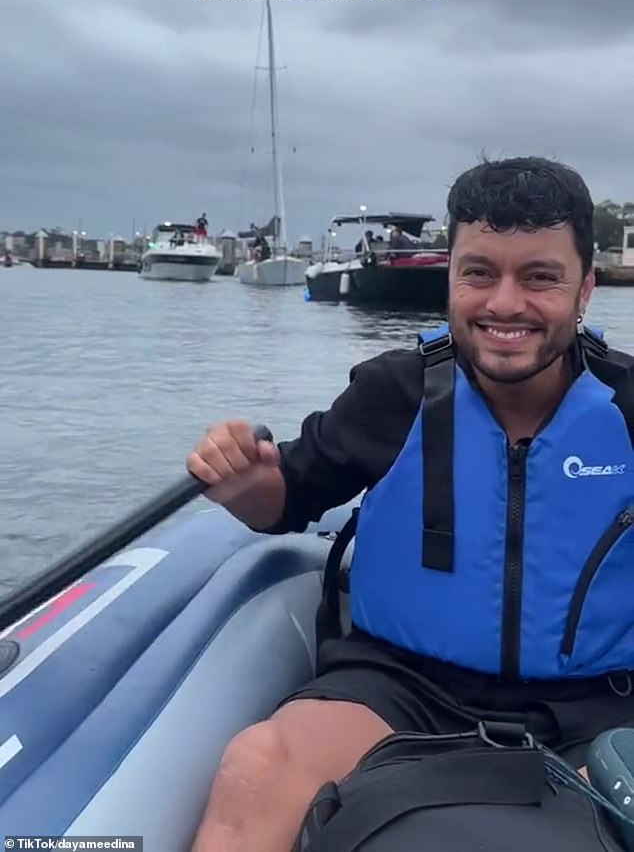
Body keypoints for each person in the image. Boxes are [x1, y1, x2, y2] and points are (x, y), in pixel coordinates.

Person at [186, 156, 634, 852]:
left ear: (586, 291)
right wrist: (246, 482)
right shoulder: (391, 395)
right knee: (259, 766)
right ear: (450, 277)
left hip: (603, 703)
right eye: (479, 273)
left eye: (540, 277)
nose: (505, 304)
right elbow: (286, 497)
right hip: (397, 686)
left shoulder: (630, 407)